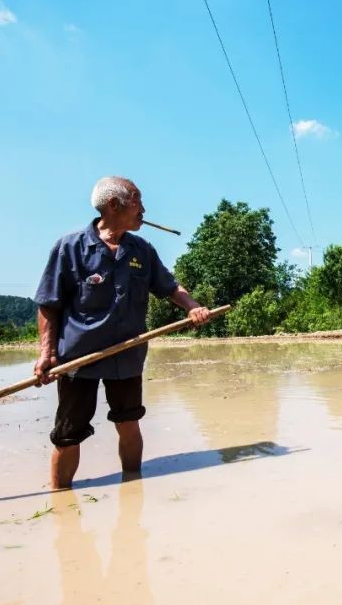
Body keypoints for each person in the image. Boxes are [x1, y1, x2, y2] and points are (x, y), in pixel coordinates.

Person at [33, 176, 211, 488]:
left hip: (127, 355)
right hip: (78, 360)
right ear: (114, 206)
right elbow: (49, 303)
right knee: (68, 434)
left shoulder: (141, 250)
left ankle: (132, 488)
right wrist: (46, 353)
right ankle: (59, 499)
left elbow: (169, 287)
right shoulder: (70, 248)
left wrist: (192, 306)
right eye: (137, 201)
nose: (143, 209)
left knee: (129, 423)